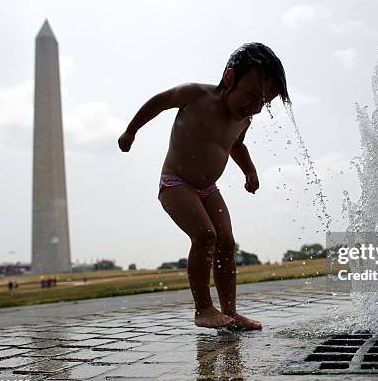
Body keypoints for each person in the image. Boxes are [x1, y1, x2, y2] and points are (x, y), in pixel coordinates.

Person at [118, 43, 289, 330]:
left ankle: (231, 313)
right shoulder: (195, 95)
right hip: (176, 183)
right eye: (251, 97)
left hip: (208, 189)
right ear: (229, 78)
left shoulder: (243, 119)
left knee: (226, 241)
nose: (255, 108)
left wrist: (250, 170)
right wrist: (131, 131)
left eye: (263, 103)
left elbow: (237, 145)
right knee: (205, 236)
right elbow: (159, 102)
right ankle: (203, 309)